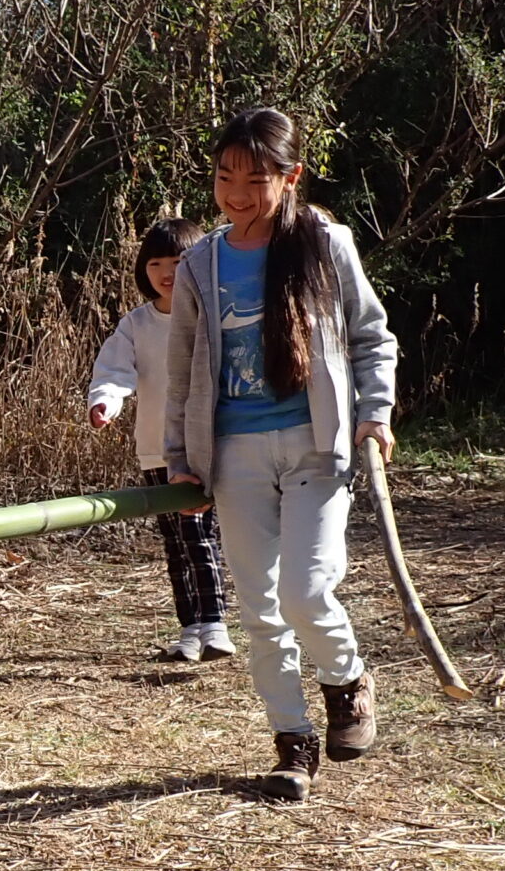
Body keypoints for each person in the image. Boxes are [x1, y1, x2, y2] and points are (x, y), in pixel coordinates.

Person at [163, 107, 399, 802]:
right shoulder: (201, 262)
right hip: (234, 450)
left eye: (256, 178)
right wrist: (180, 455)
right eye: (224, 176)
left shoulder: (324, 242)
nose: (236, 193)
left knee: (305, 589)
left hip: (316, 443)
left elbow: (371, 335)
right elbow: (182, 368)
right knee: (261, 610)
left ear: (290, 177)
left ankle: (347, 681)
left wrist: (375, 413)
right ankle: (292, 742)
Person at [87, 218, 235, 664]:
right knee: (175, 541)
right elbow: (115, 370)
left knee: (200, 536)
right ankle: (190, 629)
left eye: (177, 261)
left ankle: (214, 623)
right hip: (155, 448)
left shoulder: (215, 315)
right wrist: (105, 402)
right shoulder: (136, 323)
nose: (166, 272)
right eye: (155, 263)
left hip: (204, 448)